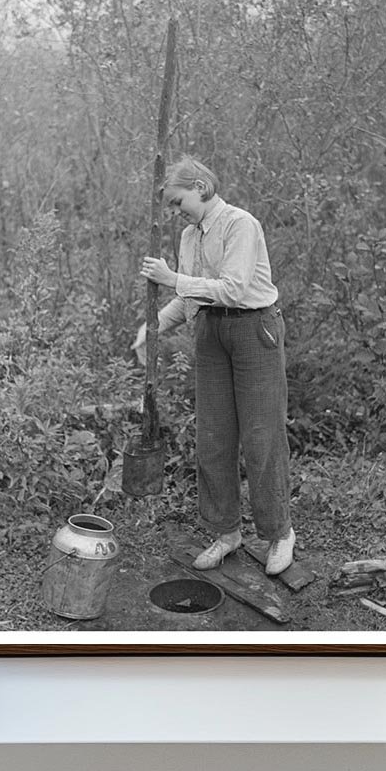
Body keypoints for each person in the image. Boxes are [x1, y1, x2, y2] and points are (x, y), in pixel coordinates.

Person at [134, 156, 295, 576]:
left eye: (177, 201)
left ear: (201, 187)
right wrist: (152, 328)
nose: (175, 212)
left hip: (254, 331)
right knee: (213, 439)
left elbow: (233, 288)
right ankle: (225, 532)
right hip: (209, 333)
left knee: (263, 439)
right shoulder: (189, 236)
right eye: (170, 206)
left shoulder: (241, 224)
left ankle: (279, 534)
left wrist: (170, 278)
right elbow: (190, 297)